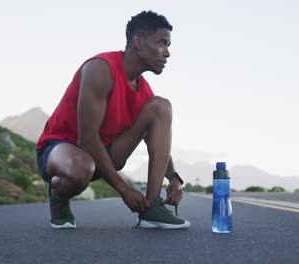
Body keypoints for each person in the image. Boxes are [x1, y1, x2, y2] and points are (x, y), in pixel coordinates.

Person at [36, 10, 190, 229]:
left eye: (168, 46)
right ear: (138, 41)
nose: (167, 53)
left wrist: (174, 178)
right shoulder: (100, 68)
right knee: (81, 168)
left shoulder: (144, 92)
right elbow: (86, 140)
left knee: (161, 106)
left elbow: (159, 142)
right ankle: (58, 195)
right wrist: (124, 189)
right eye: (162, 43)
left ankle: (152, 208)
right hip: (60, 148)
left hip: (102, 153)